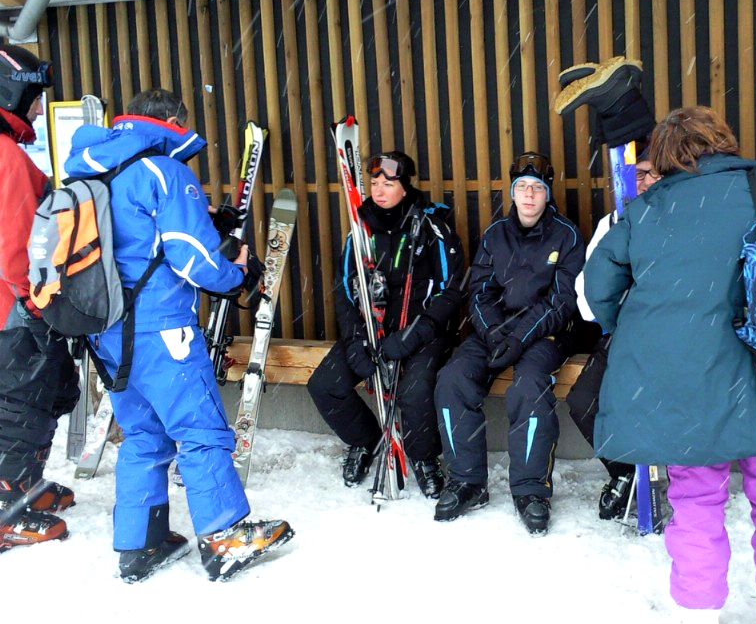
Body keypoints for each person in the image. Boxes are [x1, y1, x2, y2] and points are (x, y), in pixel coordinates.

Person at [584, 106, 756, 624]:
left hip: (683, 383)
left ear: (665, 156)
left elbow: (598, 287)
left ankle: (698, 613)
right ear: (721, 141)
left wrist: (644, 324)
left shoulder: (649, 209)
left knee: (696, 504)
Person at [63, 89, 292, 582]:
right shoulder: (164, 171)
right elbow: (195, 260)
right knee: (200, 429)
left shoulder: (93, 168)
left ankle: (140, 544)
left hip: (105, 330)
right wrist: (241, 275)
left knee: (144, 434)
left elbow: (132, 239)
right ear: (171, 122)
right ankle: (223, 536)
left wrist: (206, 221)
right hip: (161, 328)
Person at [433, 152, 584, 535]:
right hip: (495, 332)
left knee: (530, 386)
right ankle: (467, 481)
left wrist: (519, 338)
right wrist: (496, 333)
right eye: (522, 188)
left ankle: (531, 490)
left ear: (547, 193)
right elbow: (480, 291)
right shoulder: (495, 232)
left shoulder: (566, 235)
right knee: (452, 378)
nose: (529, 195)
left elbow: (562, 301)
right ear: (513, 193)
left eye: (537, 188)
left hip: (545, 332)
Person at [307, 151, 464, 498]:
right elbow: (346, 291)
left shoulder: (432, 228)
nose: (379, 190)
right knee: (325, 384)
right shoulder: (359, 229)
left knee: (415, 391)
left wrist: (413, 336)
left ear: (405, 188)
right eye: (375, 183)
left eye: (388, 183)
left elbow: (449, 291)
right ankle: (366, 441)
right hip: (371, 331)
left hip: (420, 333)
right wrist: (356, 342)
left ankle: (424, 458)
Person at [0, 45, 79, 551]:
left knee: (52, 390)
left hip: (15, 302)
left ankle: (24, 485)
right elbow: (15, 242)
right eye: (34, 96)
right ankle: (7, 509)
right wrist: (33, 300)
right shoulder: (6, 156)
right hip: (15, 304)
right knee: (22, 402)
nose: (37, 108)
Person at [567, 142, 660, 521]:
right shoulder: (612, 224)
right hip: (622, 335)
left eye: (657, 174)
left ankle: (685, 489)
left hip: (674, 339)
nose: (649, 182)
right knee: (583, 402)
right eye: (640, 174)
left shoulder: (684, 224)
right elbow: (586, 292)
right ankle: (623, 472)